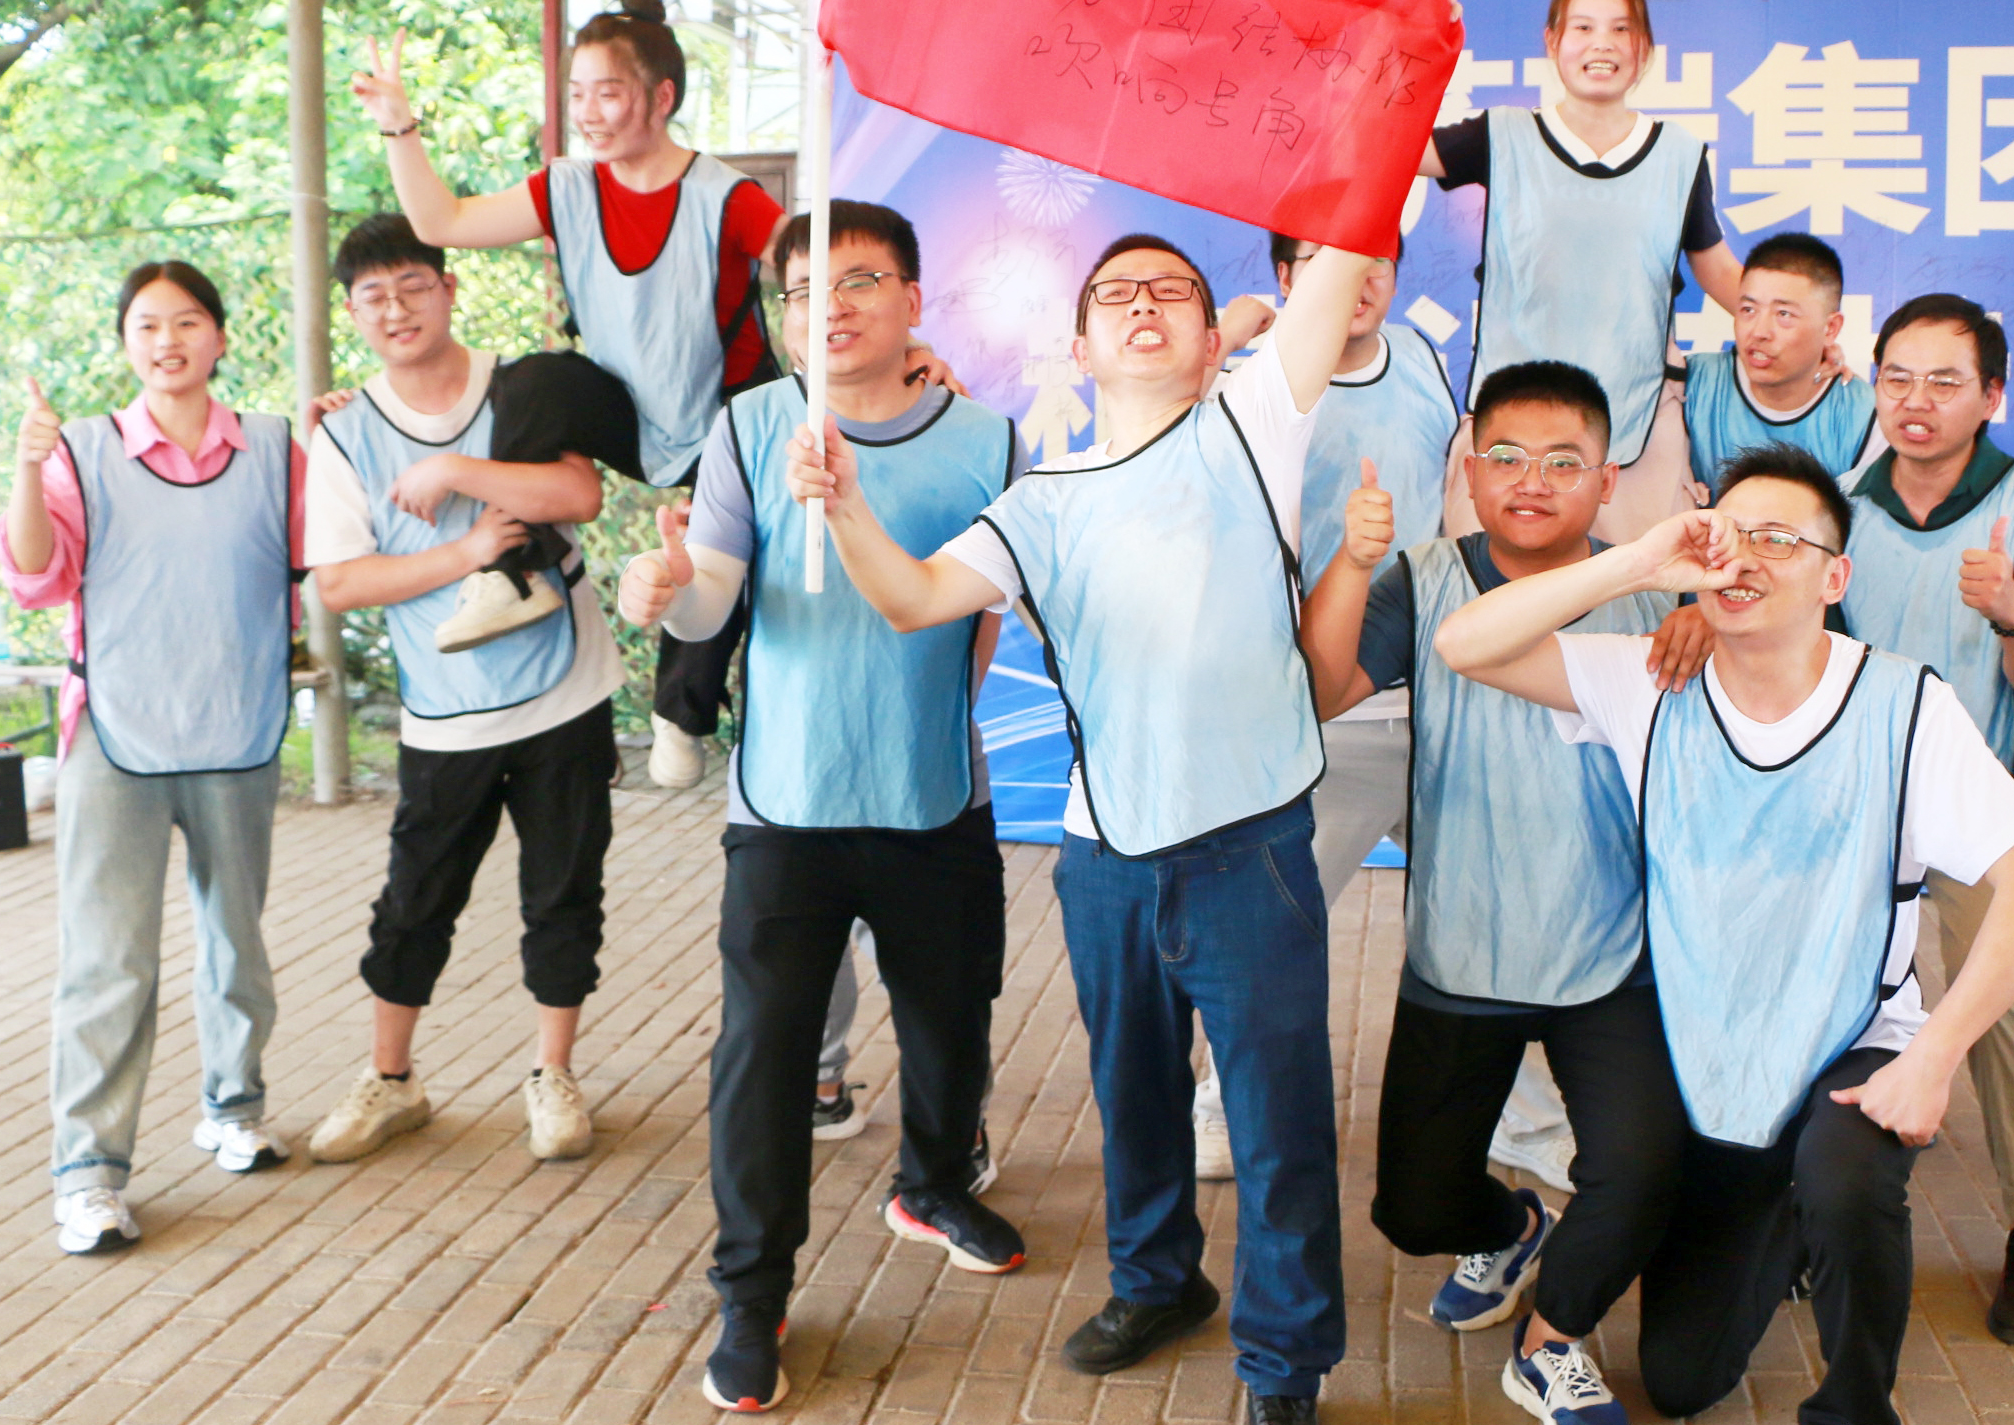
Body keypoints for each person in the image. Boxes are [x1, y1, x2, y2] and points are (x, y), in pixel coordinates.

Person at [791, 235, 1377, 1425]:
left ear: (1213, 344)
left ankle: (1283, 1359)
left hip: (1250, 844)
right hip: (1104, 854)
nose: (1143, 305)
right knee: (1134, 1094)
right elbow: (911, 598)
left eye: (1172, 292)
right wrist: (843, 503)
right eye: (1115, 293)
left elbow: (1336, 257)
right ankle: (1157, 1283)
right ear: (1078, 344)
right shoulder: (1038, 504)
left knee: (1275, 1122)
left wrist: (1381, 136)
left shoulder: (1251, 426)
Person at [1435, 444, 2014, 1425]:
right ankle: (1776, 1222)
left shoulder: (1906, 705)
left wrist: (1934, 1057)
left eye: (1778, 540)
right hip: (1702, 1049)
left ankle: (1854, 1402)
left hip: (1849, 1038)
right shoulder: (1649, 679)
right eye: (1726, 536)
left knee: (1846, 1175)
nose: (1742, 558)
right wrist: (1637, 565)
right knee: (1682, 1379)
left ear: (1835, 578)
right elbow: (1463, 644)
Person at [617, 200, 1029, 1411]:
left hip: (932, 792)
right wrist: (670, 584)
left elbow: (988, 610)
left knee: (951, 1021)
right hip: (785, 806)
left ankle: (933, 1183)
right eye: (803, 289)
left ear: (912, 300)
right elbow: (715, 596)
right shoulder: (751, 427)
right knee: (764, 1054)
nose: (830, 306)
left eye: (859, 280)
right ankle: (752, 1294)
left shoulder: (986, 440)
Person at [1299, 360, 1682, 1369]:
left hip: (1613, 952)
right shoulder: (1424, 577)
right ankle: (1515, 1229)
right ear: (1467, 471)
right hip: (1464, 946)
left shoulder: (1653, 595)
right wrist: (1350, 563)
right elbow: (1323, 693)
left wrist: (1701, 613)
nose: (1531, 481)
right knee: (1414, 1209)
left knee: (1641, 1169)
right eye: (1506, 456)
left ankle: (1554, 1335)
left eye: (1563, 462)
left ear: (1606, 482)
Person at [349, 0, 784, 788]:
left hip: (725, 414)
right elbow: (442, 223)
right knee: (535, 378)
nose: (588, 112)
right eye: (577, 93)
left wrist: (911, 348)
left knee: (715, 544)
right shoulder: (568, 188)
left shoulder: (728, 197)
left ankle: (681, 711)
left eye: (607, 93)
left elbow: (822, 264)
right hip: (626, 408)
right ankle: (509, 575)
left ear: (661, 97)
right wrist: (397, 124)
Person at [0, 263, 301, 1254]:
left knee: (236, 937)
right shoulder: (80, 451)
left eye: (188, 321)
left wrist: (350, 432)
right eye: (147, 325)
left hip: (237, 728)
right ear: (126, 342)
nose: (168, 340)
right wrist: (25, 466)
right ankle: (88, 1176)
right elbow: (35, 574)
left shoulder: (277, 448)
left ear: (220, 336)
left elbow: (327, 555)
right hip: (114, 736)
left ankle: (234, 1106)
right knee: (108, 961)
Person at [303, 215, 623, 1168]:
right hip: (444, 713)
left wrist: (454, 470)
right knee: (415, 901)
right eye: (373, 295)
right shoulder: (345, 431)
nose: (396, 308)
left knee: (563, 892)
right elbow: (339, 582)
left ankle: (553, 1074)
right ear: (352, 313)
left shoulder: (520, 387)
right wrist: (469, 550)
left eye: (413, 285)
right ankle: (391, 1078)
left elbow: (578, 494)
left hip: (563, 689)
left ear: (448, 288)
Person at [1810, 293, 2014, 1343]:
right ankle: (1805, 1194)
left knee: (2000, 1002)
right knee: (1822, 983)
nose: (1915, 401)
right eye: (1896, 378)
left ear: (1991, 396)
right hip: (1860, 790)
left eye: (1943, 381)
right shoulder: (1839, 501)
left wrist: (2011, 613)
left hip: (1987, 797)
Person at [1194, 231, 1459, 1182]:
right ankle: (1223, 1102)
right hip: (1313, 714)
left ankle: (1519, 1111)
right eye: (1327, 261)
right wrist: (1229, 337)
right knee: (1270, 931)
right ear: (1285, 278)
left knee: (1484, 918)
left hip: (1436, 705)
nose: (1359, 279)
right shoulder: (1256, 387)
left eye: (1376, 259)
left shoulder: (1423, 361)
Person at [1421, 0, 1741, 542]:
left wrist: (1800, 332)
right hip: (1513, 420)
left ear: (1644, 50)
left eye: (1621, 29)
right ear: (1553, 42)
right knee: (1492, 589)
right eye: (1584, 28)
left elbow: (1716, 266)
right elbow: (1399, 150)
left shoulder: (1678, 155)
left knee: (1638, 588)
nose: (1602, 44)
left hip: (1636, 424)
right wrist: (1422, 42)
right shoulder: (1503, 134)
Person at [1679, 232, 1876, 494]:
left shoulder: (1865, 415)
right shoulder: (1688, 385)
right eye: (1748, 310)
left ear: (1830, 328)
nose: (1759, 331)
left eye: (1784, 314)